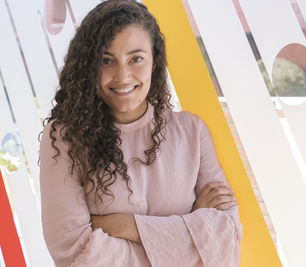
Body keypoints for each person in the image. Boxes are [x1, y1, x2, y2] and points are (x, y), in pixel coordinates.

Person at [39, 0, 242, 266]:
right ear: (90, 66)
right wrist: (192, 226)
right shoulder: (64, 138)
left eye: (136, 59)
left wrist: (126, 226)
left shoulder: (192, 131)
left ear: (155, 62)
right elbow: (73, 253)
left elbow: (228, 239)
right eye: (107, 61)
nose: (122, 76)